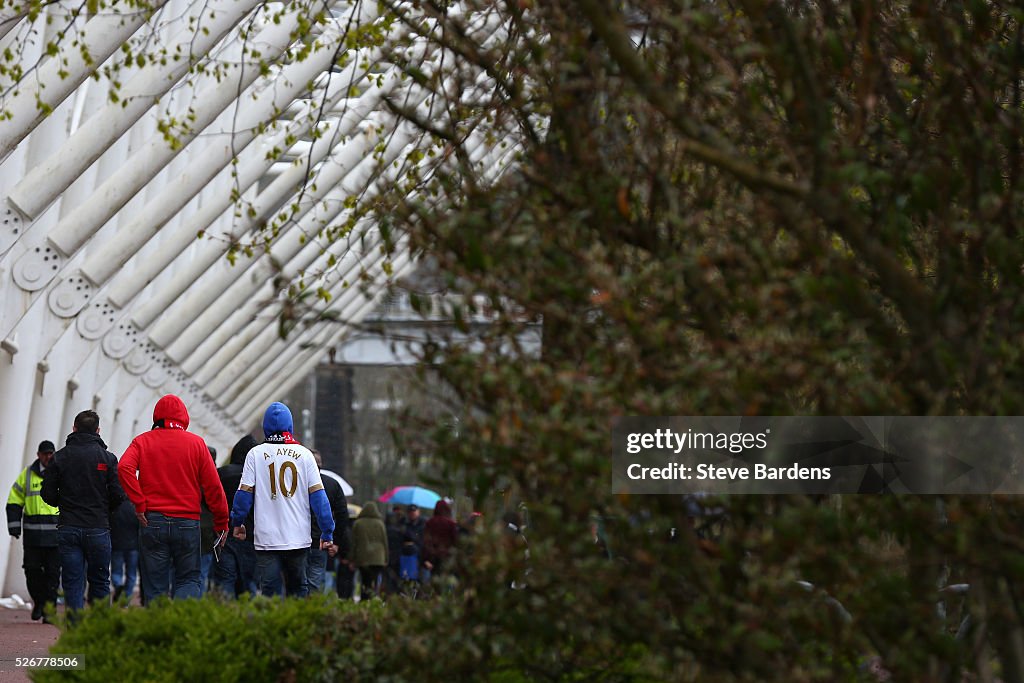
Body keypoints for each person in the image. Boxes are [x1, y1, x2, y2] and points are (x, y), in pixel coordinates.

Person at [118, 395, 229, 603]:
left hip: (153, 520)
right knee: (188, 578)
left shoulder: (142, 441)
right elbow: (214, 487)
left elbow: (124, 467)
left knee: (155, 582)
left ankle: (160, 630)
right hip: (188, 522)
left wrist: (139, 502)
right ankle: (182, 623)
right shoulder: (197, 444)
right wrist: (222, 522)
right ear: (184, 418)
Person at [229, 402, 336, 597]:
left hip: (266, 538)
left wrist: (238, 522)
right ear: (290, 426)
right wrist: (327, 531)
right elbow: (320, 500)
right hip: (298, 538)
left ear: (265, 426)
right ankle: (297, 626)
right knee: (298, 590)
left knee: (269, 591)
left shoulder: (255, 454)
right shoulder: (305, 455)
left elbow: (243, 496)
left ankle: (273, 626)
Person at [40, 411, 125, 617]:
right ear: (98, 431)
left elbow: (47, 493)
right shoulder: (108, 458)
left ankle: (75, 632)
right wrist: (104, 509)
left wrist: (64, 503)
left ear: (74, 428)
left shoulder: (60, 457)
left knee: (72, 582)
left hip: (68, 526)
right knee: (99, 581)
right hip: (98, 528)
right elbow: (118, 494)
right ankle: (98, 632)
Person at [6, 440, 60, 621]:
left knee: (53, 574)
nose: (48, 457)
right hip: (33, 536)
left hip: (55, 537)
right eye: (45, 453)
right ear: (38, 455)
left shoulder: (59, 474)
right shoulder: (27, 475)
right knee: (32, 571)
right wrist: (13, 526)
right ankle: (39, 602)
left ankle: (49, 611)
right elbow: (14, 501)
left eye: (51, 453)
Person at [214, 435, 258, 597]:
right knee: (249, 582)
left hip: (224, 534)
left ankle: (225, 615)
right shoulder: (259, 477)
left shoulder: (221, 474)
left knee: (226, 579)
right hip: (251, 536)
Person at [306, 448, 348, 594]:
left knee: (296, 583)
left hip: (296, 542)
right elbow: (342, 515)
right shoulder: (332, 484)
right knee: (315, 584)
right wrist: (336, 542)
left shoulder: (293, 483)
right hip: (321, 543)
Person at [351, 502, 388, 599]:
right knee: (375, 580)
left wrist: (351, 558)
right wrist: (386, 558)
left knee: (365, 580)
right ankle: (373, 597)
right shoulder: (380, 524)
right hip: (378, 558)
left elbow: (354, 542)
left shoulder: (358, 523)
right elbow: (385, 542)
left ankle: (364, 598)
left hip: (363, 557)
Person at [110, 498, 140, 604]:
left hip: (116, 545)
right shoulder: (135, 508)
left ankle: (118, 586)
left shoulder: (114, 508)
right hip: (133, 546)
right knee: (131, 574)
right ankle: (126, 598)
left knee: (116, 572)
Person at [422, 499, 459, 583]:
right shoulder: (451, 524)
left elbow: (426, 541)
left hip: (433, 557)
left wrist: (426, 559)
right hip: (446, 557)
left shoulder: (429, 523)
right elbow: (455, 541)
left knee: (433, 582)